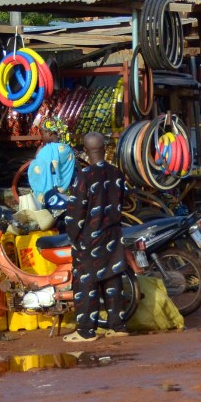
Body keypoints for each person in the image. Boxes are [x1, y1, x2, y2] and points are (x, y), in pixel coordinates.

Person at [63, 132, 130, 343]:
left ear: (85, 151)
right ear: (104, 148)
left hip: (90, 239)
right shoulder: (117, 173)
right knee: (112, 278)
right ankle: (117, 326)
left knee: (86, 282)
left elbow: (76, 212)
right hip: (113, 233)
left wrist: (73, 235)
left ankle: (85, 331)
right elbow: (123, 201)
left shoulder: (84, 176)